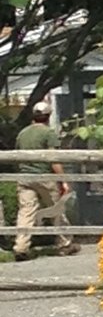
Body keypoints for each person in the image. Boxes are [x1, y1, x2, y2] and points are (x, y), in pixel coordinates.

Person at [11, 100, 74, 257]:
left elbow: (16, 156)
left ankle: (21, 247)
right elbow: (54, 159)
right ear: (48, 116)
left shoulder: (22, 133)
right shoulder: (48, 133)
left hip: (25, 177)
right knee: (55, 209)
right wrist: (63, 180)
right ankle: (64, 243)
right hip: (45, 177)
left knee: (26, 212)